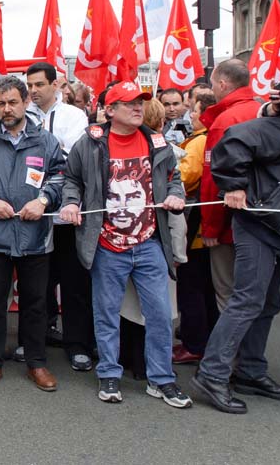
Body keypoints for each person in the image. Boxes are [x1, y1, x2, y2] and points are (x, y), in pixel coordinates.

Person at [60, 81, 192, 408]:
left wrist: (176, 194)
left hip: (149, 243)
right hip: (107, 244)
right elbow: (72, 179)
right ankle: (109, 373)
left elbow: (174, 178)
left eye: (141, 102)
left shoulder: (157, 142)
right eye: (129, 103)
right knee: (106, 314)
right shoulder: (89, 144)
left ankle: (161, 380)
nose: (138, 108)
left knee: (160, 315)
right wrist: (72, 203)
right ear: (110, 110)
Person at [192, 72, 280, 414]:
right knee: (247, 301)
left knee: (267, 303)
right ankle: (213, 374)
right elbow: (233, 140)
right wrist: (232, 185)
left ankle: (250, 370)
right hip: (260, 223)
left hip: (277, 226)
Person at [0, 77, 65, 392]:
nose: (7, 109)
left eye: (13, 102)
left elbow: (61, 177)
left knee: (35, 304)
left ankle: (37, 363)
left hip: (36, 238)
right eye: (1, 103)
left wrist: (43, 200)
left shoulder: (46, 142)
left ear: (25, 103)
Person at [25, 61, 94, 371]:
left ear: (56, 85)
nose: (34, 91)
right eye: (30, 85)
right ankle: (36, 338)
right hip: (33, 213)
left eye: (39, 84)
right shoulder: (23, 116)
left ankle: (78, 343)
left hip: (66, 212)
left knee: (73, 281)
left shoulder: (73, 116)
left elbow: (72, 157)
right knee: (37, 283)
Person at [199, 59, 262, 311]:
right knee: (255, 294)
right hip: (263, 219)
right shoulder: (262, 111)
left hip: (229, 225)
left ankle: (232, 350)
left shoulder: (226, 120)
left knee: (227, 293)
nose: (212, 90)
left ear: (223, 84)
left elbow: (213, 178)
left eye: (213, 85)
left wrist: (211, 227)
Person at [173, 93, 219, 365]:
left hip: (197, 224)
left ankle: (194, 343)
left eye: (193, 110)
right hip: (201, 223)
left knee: (193, 286)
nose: (190, 115)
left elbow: (186, 176)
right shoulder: (201, 138)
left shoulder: (201, 141)